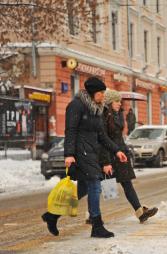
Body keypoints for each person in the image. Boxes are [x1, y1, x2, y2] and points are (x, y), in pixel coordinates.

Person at [41, 77, 128, 238]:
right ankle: (97, 225)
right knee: (95, 185)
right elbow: (71, 131)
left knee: (83, 189)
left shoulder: (97, 108)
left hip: (91, 153)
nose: (103, 96)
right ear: (93, 92)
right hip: (81, 153)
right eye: (101, 93)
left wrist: (116, 151)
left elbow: (101, 135)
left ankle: (52, 216)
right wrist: (69, 154)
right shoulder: (76, 106)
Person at [99, 90, 158, 223]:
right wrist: (105, 162)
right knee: (99, 187)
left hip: (120, 154)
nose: (120, 104)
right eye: (117, 101)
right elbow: (102, 140)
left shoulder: (118, 114)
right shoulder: (103, 115)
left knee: (127, 184)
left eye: (120, 101)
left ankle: (140, 212)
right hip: (108, 155)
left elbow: (119, 137)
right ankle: (91, 215)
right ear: (109, 102)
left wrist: (124, 151)